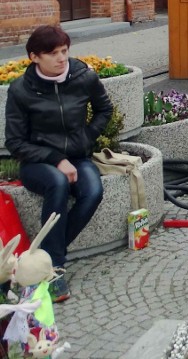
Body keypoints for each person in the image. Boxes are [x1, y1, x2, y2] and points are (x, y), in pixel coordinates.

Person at [4, 25, 114, 303]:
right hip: (36, 162)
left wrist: (86, 137)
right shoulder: (20, 90)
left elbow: (104, 109)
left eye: (64, 51)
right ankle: (53, 269)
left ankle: (44, 257)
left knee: (93, 192)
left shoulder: (82, 76)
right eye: (53, 53)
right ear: (34, 57)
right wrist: (57, 159)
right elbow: (15, 142)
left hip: (78, 156)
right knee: (57, 181)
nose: (62, 58)